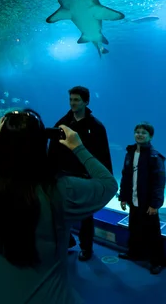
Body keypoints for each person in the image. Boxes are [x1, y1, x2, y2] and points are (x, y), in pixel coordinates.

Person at [0, 110, 117, 303]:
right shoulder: (61, 191)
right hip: (47, 296)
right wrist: (78, 147)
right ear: (41, 144)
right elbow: (109, 184)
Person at [48, 86, 113, 261]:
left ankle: (86, 248)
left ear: (86, 101)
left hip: (85, 177)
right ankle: (66, 242)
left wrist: (106, 177)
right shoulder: (62, 124)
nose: (73, 103)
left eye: (76, 100)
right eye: (71, 100)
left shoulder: (97, 127)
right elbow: (53, 150)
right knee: (60, 213)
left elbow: (103, 153)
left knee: (86, 215)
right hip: (64, 176)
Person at [118, 122, 166, 275]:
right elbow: (125, 176)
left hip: (148, 202)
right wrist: (123, 197)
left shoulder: (155, 156)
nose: (139, 134)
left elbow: (159, 182)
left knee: (153, 233)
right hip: (133, 200)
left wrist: (155, 204)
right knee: (134, 228)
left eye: (143, 133)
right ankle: (134, 253)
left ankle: (156, 261)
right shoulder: (130, 153)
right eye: (137, 132)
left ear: (150, 136)